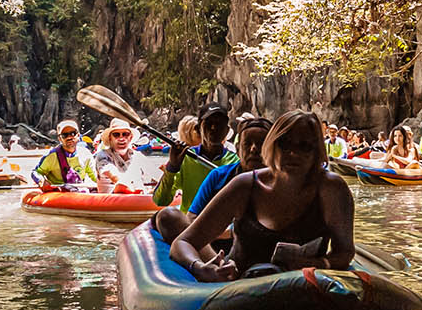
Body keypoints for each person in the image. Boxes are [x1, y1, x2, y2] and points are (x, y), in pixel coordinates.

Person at [171, 111, 355, 281]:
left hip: (301, 292)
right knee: (168, 218)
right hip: (239, 288)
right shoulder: (245, 186)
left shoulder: (332, 189)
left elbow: (344, 252)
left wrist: (317, 264)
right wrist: (200, 268)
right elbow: (184, 242)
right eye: (285, 143)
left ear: (317, 151)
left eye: (304, 146)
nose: (293, 153)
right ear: (272, 146)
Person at [153, 105, 237, 240]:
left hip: (223, 232)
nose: (214, 128)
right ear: (198, 129)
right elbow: (160, 200)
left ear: (226, 131)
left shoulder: (235, 162)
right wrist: (172, 167)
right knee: (164, 215)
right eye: (209, 124)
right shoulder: (185, 158)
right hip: (189, 228)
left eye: (219, 124)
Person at [32, 121, 97, 190]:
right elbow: (35, 172)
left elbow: (95, 176)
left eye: (72, 133)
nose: (69, 137)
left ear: (78, 135)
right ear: (60, 139)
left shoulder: (85, 153)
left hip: (79, 192)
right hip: (58, 193)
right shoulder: (52, 156)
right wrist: (41, 180)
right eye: (65, 135)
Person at [93, 121, 141, 191]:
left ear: (130, 137)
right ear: (110, 138)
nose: (121, 138)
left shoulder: (138, 156)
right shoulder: (102, 155)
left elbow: (156, 174)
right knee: (121, 186)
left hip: (136, 196)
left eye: (125, 134)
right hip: (111, 199)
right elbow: (113, 174)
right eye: (116, 135)